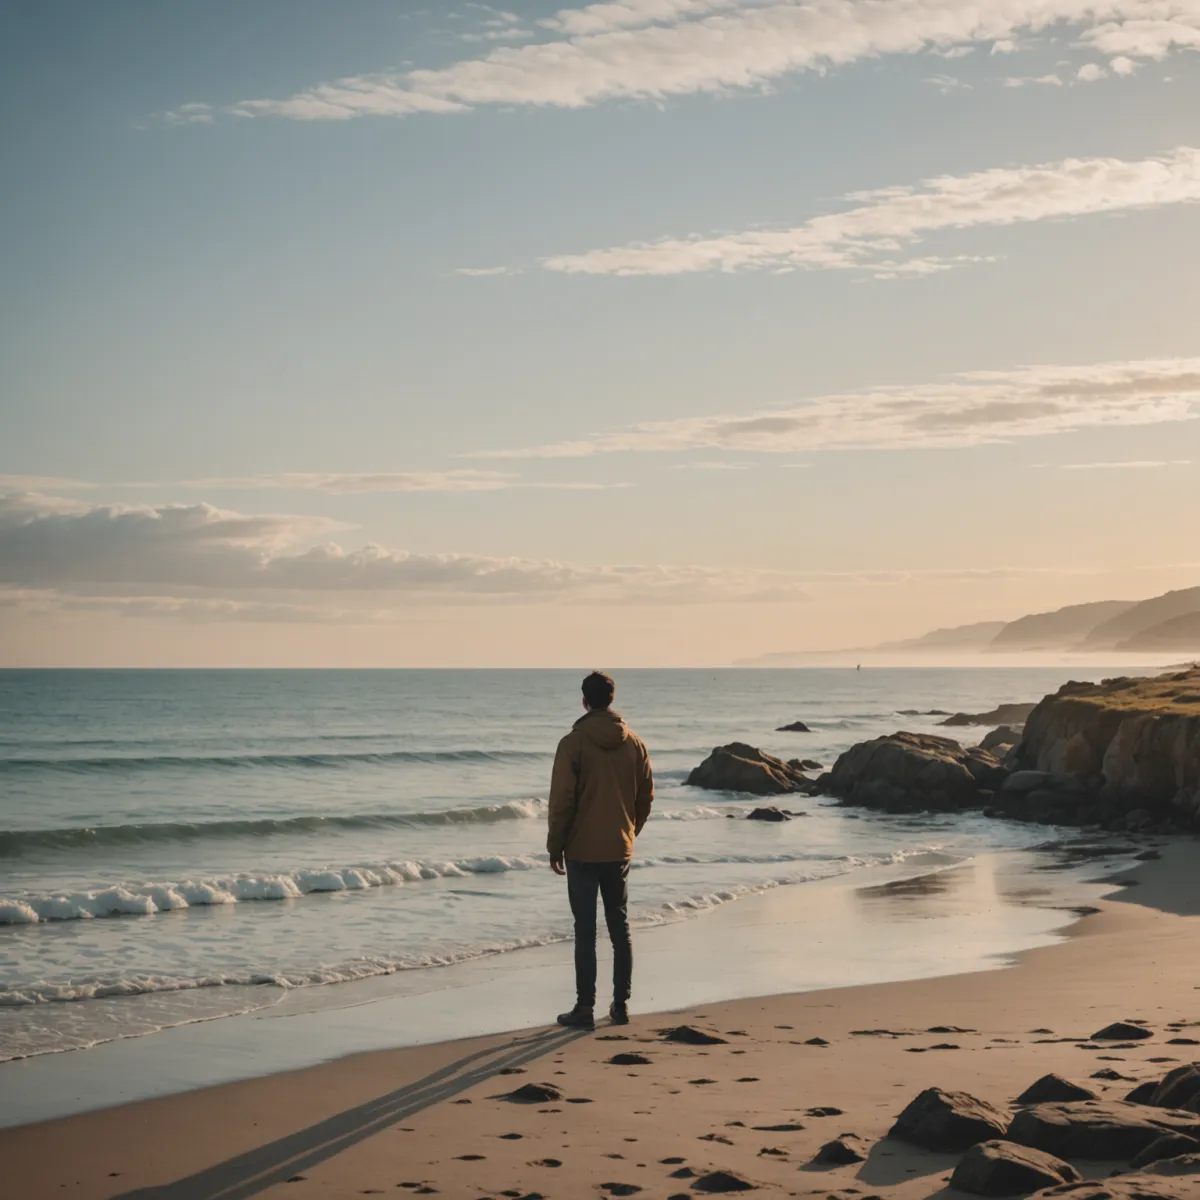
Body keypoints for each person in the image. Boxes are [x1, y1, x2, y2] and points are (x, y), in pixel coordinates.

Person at [547, 670, 654, 1030]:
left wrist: (554, 845)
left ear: (584, 701)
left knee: (586, 931)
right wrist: (629, 832)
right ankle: (621, 1006)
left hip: (581, 850)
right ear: (611, 698)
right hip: (618, 848)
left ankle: (584, 1008)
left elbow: (562, 801)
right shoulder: (635, 743)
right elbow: (645, 797)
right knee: (619, 927)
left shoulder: (573, 744)